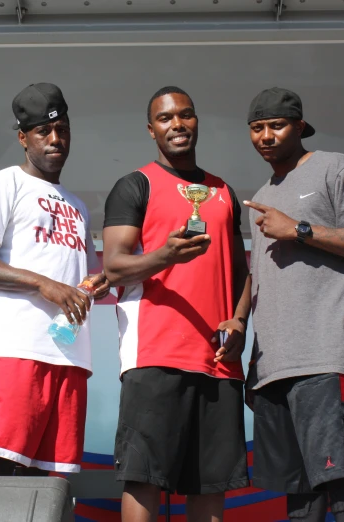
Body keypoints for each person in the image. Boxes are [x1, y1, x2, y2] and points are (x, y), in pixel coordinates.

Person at [102, 86, 251, 522]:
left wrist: (239, 322)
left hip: (218, 358)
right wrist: (164, 256)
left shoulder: (223, 191)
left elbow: (242, 270)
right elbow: (114, 268)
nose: (178, 125)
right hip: (156, 353)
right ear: (152, 130)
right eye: (166, 119)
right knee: (145, 476)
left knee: (211, 482)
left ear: (196, 122)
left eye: (185, 115)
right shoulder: (135, 185)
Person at [244, 87, 344, 522]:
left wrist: (300, 229)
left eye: (276, 125)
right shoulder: (260, 193)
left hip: (327, 358)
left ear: (300, 126)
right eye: (256, 128)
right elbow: (258, 278)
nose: (265, 136)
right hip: (274, 367)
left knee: (342, 484)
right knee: (300, 500)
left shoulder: (335, 167)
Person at [0, 83, 109, 477]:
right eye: (44, 132)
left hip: (71, 356)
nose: (56, 139)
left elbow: (82, 278)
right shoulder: (2, 183)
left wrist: (100, 282)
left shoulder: (78, 206)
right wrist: (44, 284)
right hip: (16, 350)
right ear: (23, 138)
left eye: (63, 129)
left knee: (50, 486)